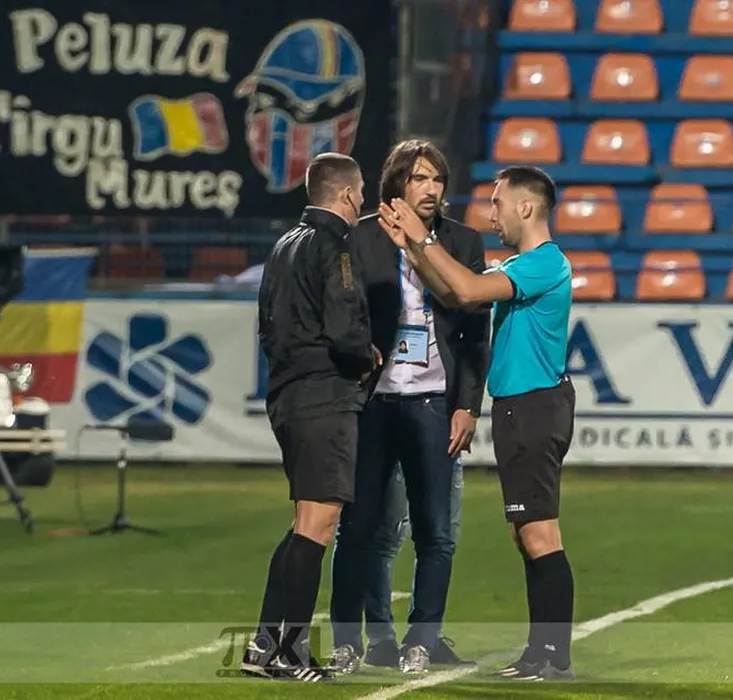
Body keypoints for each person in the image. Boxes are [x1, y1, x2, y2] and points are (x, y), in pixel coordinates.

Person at [378, 165, 576, 681]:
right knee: (526, 533)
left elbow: (466, 290)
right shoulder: (523, 265)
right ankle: (542, 653)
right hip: (521, 409)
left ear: (526, 207)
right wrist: (415, 251)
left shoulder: (543, 262)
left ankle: (551, 656)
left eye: (498, 203)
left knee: (539, 534)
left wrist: (424, 238)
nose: (492, 214)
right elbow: (452, 296)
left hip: (534, 408)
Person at [329, 140, 489, 675]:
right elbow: (341, 311)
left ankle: (423, 639)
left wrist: (468, 405)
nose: (431, 188)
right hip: (373, 402)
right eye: (420, 178)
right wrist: (355, 358)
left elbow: (475, 332)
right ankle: (352, 640)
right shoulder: (359, 238)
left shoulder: (462, 241)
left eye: (437, 179)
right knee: (359, 528)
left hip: (434, 403)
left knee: (435, 532)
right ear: (396, 183)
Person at [241, 152, 379, 682]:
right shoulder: (334, 246)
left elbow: (268, 324)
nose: (363, 200)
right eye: (360, 191)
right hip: (324, 397)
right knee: (318, 523)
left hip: (289, 394)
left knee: (304, 522)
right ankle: (289, 651)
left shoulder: (284, 244)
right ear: (345, 194)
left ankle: (264, 644)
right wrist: (366, 355)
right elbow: (345, 329)